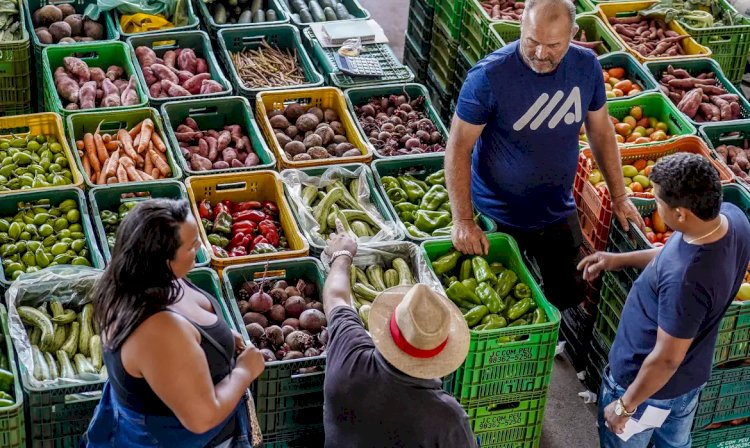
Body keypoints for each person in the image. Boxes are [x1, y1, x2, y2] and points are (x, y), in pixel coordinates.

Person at [446, 0, 643, 311]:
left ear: (573, 33)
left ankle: (557, 341)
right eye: (531, 41)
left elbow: (601, 132)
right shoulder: (490, 76)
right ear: (521, 27)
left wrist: (619, 196)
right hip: (496, 216)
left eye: (552, 45)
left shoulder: (586, 66)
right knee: (496, 303)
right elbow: (458, 147)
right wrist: (464, 220)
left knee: (569, 293)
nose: (540, 53)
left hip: (556, 210)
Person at [577, 154, 750, 447]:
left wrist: (625, 406)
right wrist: (619, 260)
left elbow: (667, 358)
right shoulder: (732, 219)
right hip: (689, 381)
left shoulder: (688, 282)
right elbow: (671, 254)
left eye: (658, 202)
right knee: (674, 443)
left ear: (681, 213)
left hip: (645, 389)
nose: (656, 207)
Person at [82, 199, 266, 447]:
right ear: (165, 260)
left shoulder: (134, 279)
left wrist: (219, 336)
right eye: (191, 246)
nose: (200, 246)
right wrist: (245, 371)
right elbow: (202, 418)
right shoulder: (159, 331)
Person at [322, 220, 477, 447]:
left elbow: (336, 297)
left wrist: (342, 254)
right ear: (440, 354)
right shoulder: (447, 419)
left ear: (388, 327)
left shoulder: (349, 359)